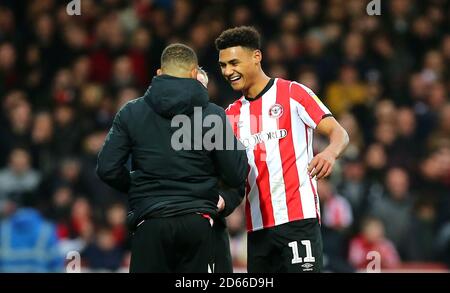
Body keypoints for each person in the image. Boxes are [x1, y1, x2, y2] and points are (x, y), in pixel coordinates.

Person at [96, 43, 247, 273]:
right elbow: (236, 173)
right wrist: (223, 196)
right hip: (200, 222)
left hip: (151, 223)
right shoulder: (213, 115)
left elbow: (107, 167)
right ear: (196, 74)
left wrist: (139, 187)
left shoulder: (131, 112)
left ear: (159, 73)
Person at [215, 26, 349, 273]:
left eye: (234, 62)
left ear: (256, 56)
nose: (228, 71)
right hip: (257, 230)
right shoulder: (230, 115)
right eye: (223, 65)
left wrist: (330, 152)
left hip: (299, 221)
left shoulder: (292, 93)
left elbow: (339, 133)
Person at [197, 67, 239, 273]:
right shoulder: (155, 120)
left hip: (210, 225)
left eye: (201, 86)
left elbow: (237, 176)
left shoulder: (219, 122)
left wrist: (224, 199)